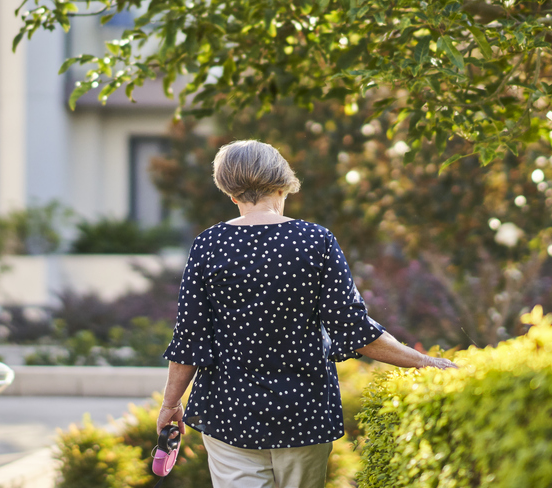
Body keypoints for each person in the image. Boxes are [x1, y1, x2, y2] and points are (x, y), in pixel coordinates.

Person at [156, 140, 457, 488]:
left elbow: (190, 340)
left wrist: (170, 404)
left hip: (229, 413)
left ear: (231, 193)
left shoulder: (209, 245)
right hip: (304, 414)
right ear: (283, 183)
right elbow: (357, 331)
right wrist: (427, 362)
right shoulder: (316, 241)